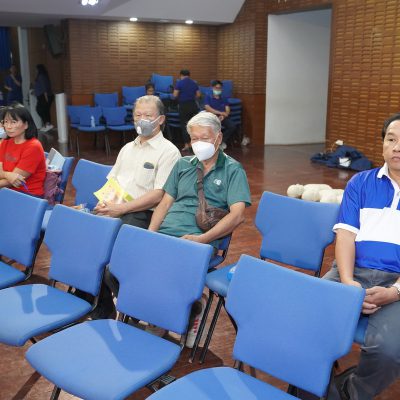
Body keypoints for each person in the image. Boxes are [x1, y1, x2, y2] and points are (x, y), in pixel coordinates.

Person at [148, 111, 251, 345]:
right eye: (194, 138)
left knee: (168, 267)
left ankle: (182, 312)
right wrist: (151, 234)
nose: (198, 143)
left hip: (199, 238)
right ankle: (173, 312)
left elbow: (237, 216)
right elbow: (165, 203)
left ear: (218, 137)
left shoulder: (232, 170)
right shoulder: (182, 164)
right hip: (166, 234)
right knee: (122, 265)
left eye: (204, 138)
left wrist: (203, 239)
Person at [324, 113, 400, 400]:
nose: (397, 147)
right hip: (351, 271)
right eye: (391, 139)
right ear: (382, 144)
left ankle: (349, 393)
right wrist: (347, 282)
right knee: (306, 315)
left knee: (389, 350)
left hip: (396, 283)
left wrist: (394, 292)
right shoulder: (360, 182)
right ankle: (309, 384)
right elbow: (345, 236)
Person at [90, 95, 181, 318]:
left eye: (148, 115)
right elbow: (113, 181)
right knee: (87, 243)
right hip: (117, 208)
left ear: (160, 119)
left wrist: (121, 209)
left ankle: (140, 308)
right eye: (137, 115)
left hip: (142, 214)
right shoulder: (127, 148)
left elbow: (158, 195)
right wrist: (105, 201)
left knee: (111, 259)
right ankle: (101, 306)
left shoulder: (169, 152)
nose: (142, 120)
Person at [0, 103, 46, 197]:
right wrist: (7, 175)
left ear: (26, 124)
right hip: (7, 192)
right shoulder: (5, 142)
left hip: (27, 195)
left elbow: (13, 181)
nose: (8, 126)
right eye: (6, 122)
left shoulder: (33, 147)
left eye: (13, 122)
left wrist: (4, 174)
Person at [173, 69, 201, 152]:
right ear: (189, 75)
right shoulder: (194, 83)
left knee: (185, 126)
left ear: (181, 75)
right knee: (194, 126)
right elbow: (198, 95)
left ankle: (186, 145)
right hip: (193, 106)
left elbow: (175, 95)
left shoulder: (179, 83)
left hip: (184, 106)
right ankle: (193, 144)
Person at [204, 80, 236, 150]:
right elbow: (207, 108)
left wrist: (224, 115)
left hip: (222, 117)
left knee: (232, 126)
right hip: (212, 117)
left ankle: (221, 141)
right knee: (212, 128)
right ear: (212, 88)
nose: (218, 90)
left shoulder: (224, 97)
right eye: (216, 88)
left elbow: (227, 109)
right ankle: (212, 143)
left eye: (220, 88)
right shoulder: (208, 97)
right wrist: (220, 113)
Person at [34, 64, 54, 132]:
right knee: (45, 110)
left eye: (36, 69)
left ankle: (47, 124)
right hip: (42, 96)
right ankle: (47, 124)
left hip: (44, 96)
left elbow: (44, 87)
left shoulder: (41, 76)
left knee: (40, 109)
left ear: (39, 69)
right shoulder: (41, 76)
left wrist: (46, 97)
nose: (35, 71)